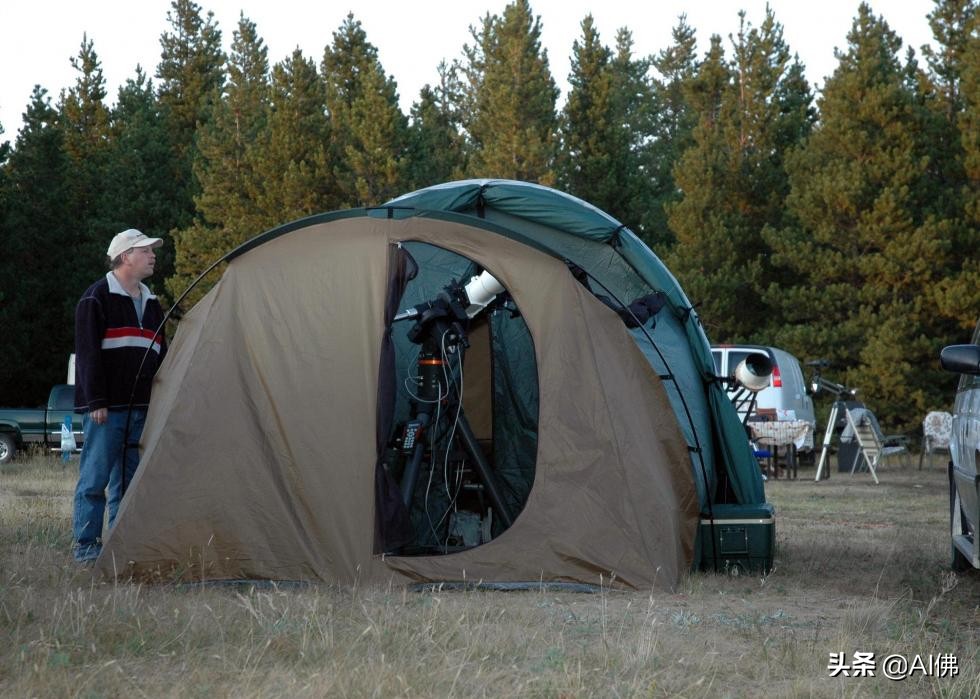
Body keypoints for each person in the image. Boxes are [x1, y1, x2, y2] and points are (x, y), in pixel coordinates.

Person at [72, 228, 167, 562]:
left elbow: (161, 356)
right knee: (95, 480)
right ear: (126, 256)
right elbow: (87, 355)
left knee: (127, 483)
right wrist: (96, 401)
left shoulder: (153, 304)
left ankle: (119, 548)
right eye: (146, 250)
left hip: (141, 409)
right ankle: (86, 549)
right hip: (106, 410)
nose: (153, 255)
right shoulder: (96, 297)